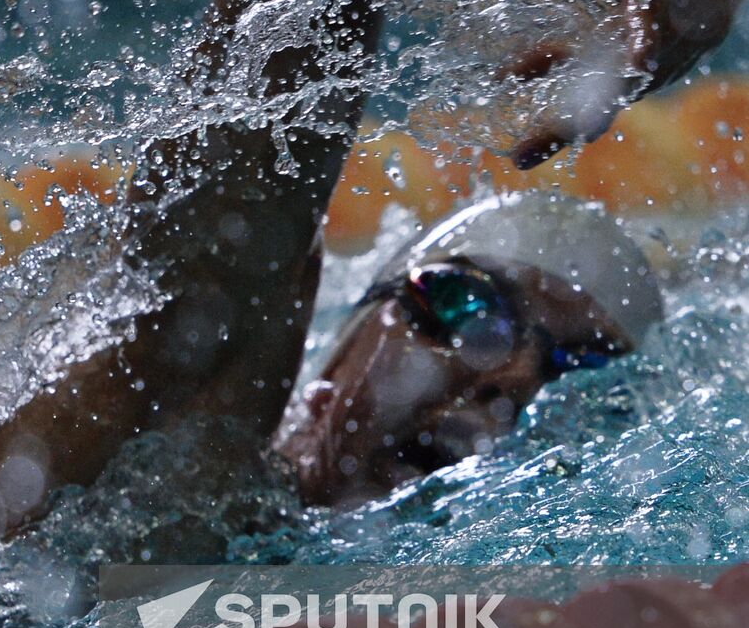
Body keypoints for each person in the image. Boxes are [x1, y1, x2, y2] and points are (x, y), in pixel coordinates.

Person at [0, 0, 741, 559]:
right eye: (463, 304)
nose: (510, 376)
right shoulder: (186, 409)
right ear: (333, 361)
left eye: (577, 370)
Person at [277, 190, 663, 505]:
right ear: (341, 357)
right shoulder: (222, 471)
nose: (520, 377)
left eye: (583, 367)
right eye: (467, 304)